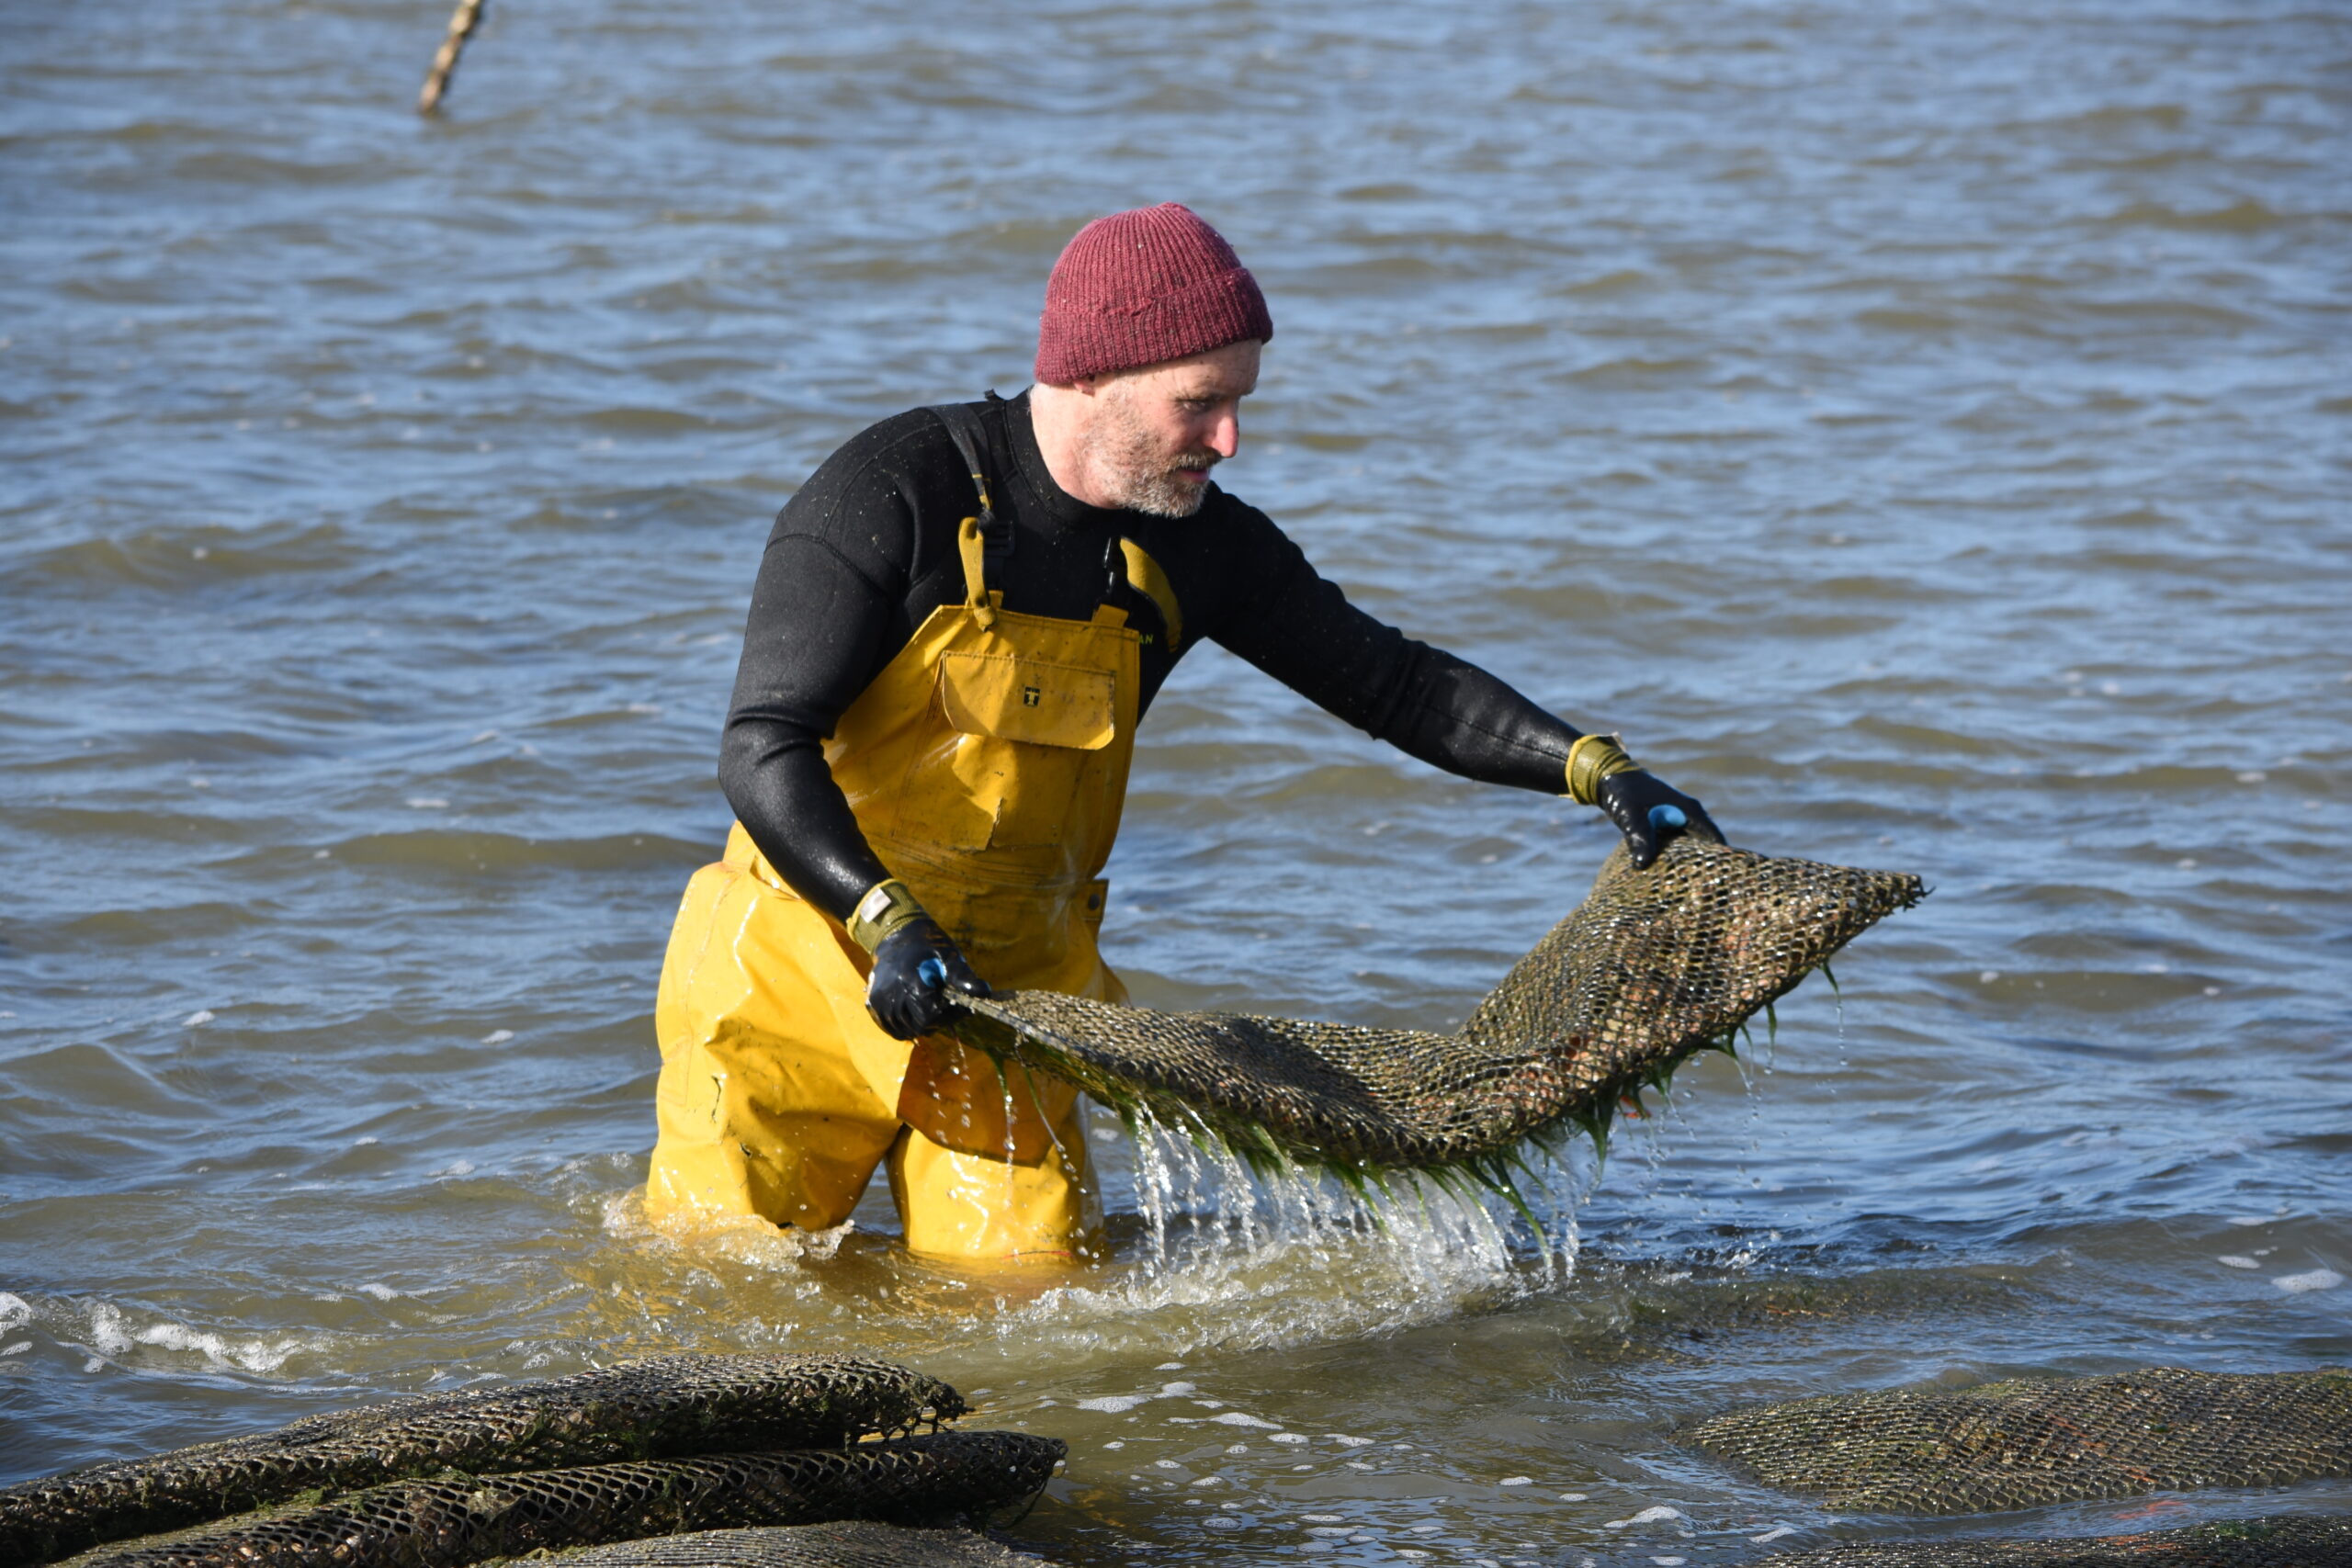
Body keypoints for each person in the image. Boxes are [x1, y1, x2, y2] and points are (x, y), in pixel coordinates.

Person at [645, 203, 1719, 1263]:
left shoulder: (1199, 547)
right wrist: (888, 923)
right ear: (1093, 376)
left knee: (1028, 1326)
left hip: (1014, 1007)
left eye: (1240, 404)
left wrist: (1598, 770)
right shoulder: (893, 492)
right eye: (1200, 404)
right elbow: (762, 745)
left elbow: (1396, 685)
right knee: (726, 1305)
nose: (1230, 440)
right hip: (795, 979)